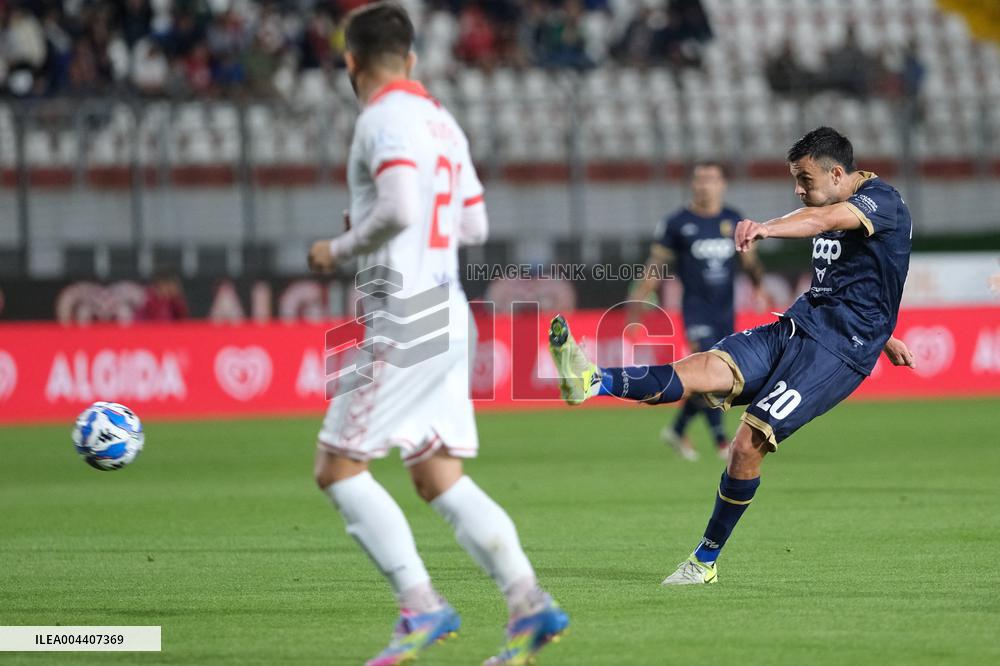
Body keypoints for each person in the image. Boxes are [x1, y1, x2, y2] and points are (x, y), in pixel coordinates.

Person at [306, 4, 568, 665]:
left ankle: (420, 605)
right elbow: (474, 227)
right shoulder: (442, 122)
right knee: (436, 473)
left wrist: (340, 248)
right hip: (451, 312)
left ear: (350, 62)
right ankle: (528, 602)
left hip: (405, 314)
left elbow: (397, 206)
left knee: (338, 466)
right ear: (413, 60)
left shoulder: (382, 118)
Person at [549, 127, 915, 585]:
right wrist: (887, 332)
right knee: (702, 369)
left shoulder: (883, 201)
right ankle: (591, 380)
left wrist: (768, 228)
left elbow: (824, 221)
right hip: (799, 324)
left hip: (837, 352)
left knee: (746, 445)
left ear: (838, 173)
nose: (799, 190)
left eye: (805, 180)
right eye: (794, 180)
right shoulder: (834, 203)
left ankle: (704, 562)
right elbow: (860, 280)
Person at [628, 161, 765, 461]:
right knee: (707, 370)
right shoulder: (677, 223)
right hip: (695, 311)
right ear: (692, 185)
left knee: (717, 376)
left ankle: (677, 430)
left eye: (711, 179)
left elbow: (750, 262)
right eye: (700, 179)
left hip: (725, 313)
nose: (705, 185)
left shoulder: (733, 219)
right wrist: (638, 304)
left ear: (722, 184)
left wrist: (758, 287)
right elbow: (655, 267)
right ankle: (721, 442)